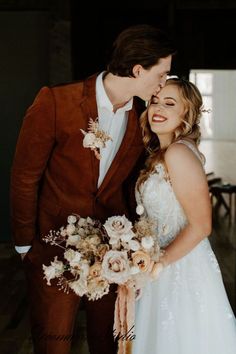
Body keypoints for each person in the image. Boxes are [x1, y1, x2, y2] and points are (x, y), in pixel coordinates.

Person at [10, 24, 176, 354]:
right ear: (138, 69)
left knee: (109, 344)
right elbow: (24, 178)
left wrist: (133, 251)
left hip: (111, 255)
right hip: (52, 248)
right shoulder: (57, 101)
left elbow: (129, 186)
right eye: (162, 74)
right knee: (53, 344)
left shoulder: (140, 119)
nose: (163, 84)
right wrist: (25, 246)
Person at [133, 77, 236, 354]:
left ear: (186, 114)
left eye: (170, 103)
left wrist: (159, 263)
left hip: (177, 267)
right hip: (164, 263)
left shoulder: (178, 153)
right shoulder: (166, 152)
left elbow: (202, 225)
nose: (158, 107)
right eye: (155, 101)